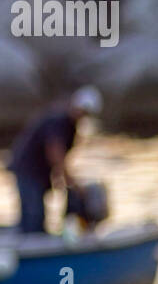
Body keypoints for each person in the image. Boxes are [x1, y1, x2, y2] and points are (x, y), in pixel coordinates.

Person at [7, 86, 102, 234]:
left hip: (39, 173)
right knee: (33, 214)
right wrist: (70, 181)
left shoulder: (71, 127)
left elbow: (61, 157)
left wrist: (60, 178)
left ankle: (35, 238)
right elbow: (54, 151)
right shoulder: (59, 121)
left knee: (37, 213)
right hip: (28, 171)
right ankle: (31, 245)